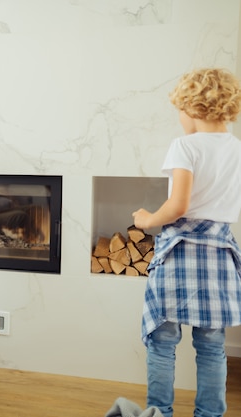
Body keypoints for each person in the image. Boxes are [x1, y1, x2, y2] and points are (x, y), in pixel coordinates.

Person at [132, 68, 241, 417]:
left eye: (179, 109)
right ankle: (210, 414)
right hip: (220, 254)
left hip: (181, 253)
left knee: (162, 343)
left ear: (193, 108)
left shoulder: (185, 146)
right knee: (212, 346)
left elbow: (178, 206)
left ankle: (159, 412)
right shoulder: (237, 149)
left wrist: (147, 219)